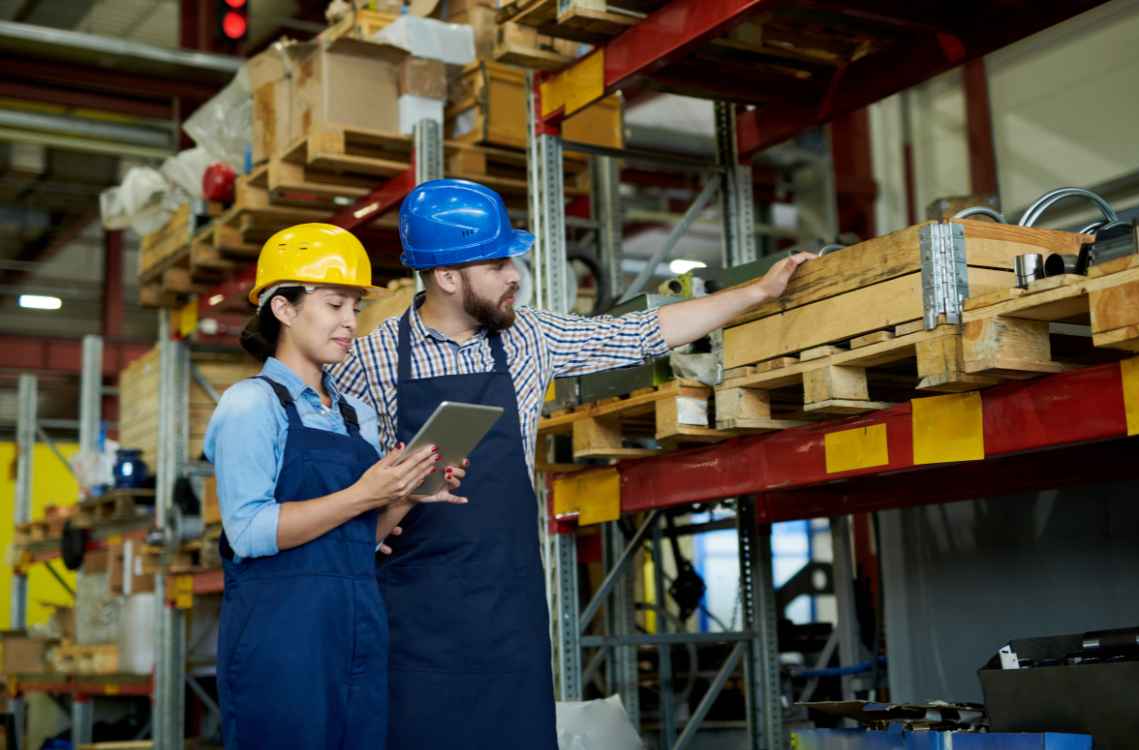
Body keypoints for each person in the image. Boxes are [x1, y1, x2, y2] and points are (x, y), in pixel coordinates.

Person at [329, 179, 813, 748]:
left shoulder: (529, 338)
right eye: (497, 263)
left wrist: (756, 293)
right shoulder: (367, 361)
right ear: (448, 276)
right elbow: (337, 474)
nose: (515, 274)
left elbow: (640, 334)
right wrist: (365, 515)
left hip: (510, 609)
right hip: (414, 618)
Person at [205, 223, 468, 749]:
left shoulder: (355, 417)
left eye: (354, 306)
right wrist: (364, 494)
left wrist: (406, 495)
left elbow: (356, 539)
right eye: (334, 305)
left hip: (356, 629)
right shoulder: (251, 405)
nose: (351, 322)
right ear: (283, 308)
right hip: (280, 639)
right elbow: (249, 531)